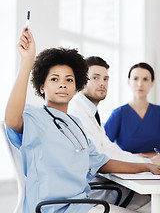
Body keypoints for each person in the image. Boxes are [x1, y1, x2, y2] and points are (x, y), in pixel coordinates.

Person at [5, 28, 160, 213]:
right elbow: (11, 119)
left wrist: (146, 166)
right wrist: (26, 61)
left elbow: (102, 163)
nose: (63, 84)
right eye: (54, 79)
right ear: (42, 86)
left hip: (83, 205)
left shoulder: (75, 124)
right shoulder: (34, 117)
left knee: (151, 205)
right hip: (56, 209)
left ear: (76, 87)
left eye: (69, 80)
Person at [68, 56, 160, 212]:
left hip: (102, 185)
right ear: (81, 81)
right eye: (95, 78)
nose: (102, 83)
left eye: (106, 78)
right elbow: (101, 159)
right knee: (152, 204)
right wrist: (146, 165)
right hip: (92, 189)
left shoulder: (90, 112)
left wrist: (149, 161)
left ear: (152, 83)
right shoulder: (77, 112)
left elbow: (110, 149)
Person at [104, 62, 160, 154]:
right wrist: (138, 158)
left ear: (152, 83)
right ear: (129, 82)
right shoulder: (119, 114)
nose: (140, 84)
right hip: (128, 166)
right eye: (135, 79)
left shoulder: (158, 113)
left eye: (145, 79)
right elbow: (103, 148)